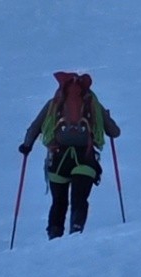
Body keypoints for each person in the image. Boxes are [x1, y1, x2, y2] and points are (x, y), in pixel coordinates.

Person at [19, 72, 121, 239]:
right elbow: (115, 132)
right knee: (79, 199)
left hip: (58, 160)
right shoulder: (92, 104)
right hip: (85, 158)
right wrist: (106, 119)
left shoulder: (54, 103)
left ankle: (54, 234)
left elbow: (34, 128)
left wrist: (26, 146)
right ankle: (76, 231)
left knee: (59, 201)